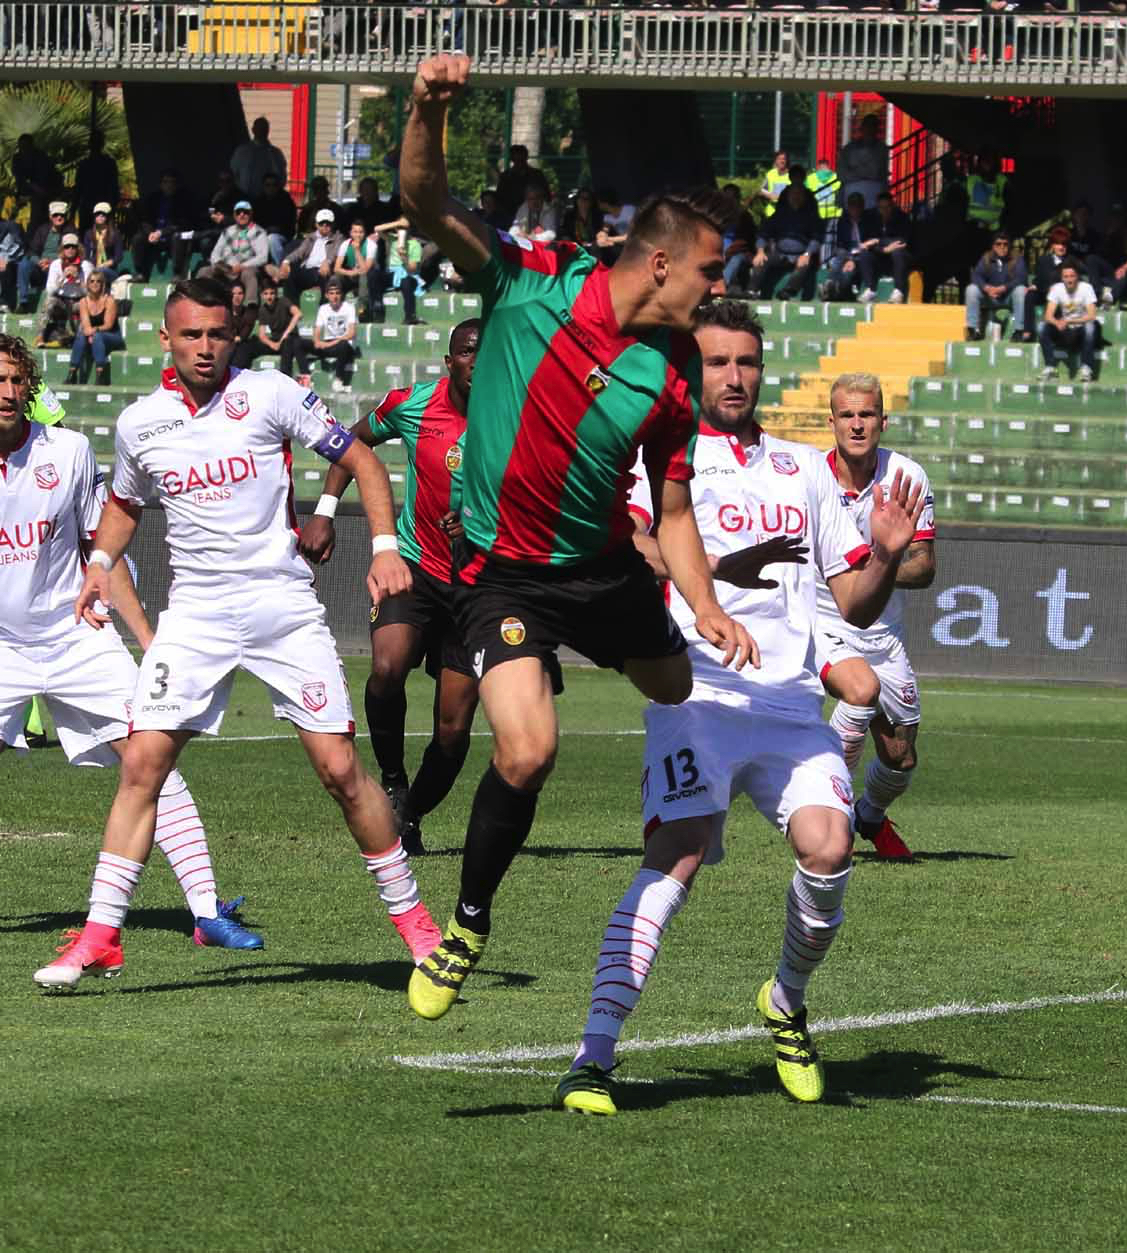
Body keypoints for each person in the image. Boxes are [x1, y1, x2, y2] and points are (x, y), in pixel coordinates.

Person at [396, 52, 757, 1021]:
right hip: (502, 574)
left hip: (603, 570)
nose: (720, 289)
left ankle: (673, 796)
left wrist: (708, 602)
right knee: (527, 749)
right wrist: (425, 106)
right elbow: (423, 198)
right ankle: (467, 924)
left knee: (676, 685)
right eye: (714, 270)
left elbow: (672, 511)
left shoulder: (674, 373)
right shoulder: (533, 281)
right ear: (664, 261)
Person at [555, 301, 926, 1116]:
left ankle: (786, 1001)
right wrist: (722, 565)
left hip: (790, 705)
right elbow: (635, 546)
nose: (734, 376)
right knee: (678, 853)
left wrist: (891, 555)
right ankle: (593, 1055)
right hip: (697, 692)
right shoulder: (662, 455)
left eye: (747, 362)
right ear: (692, 370)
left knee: (831, 851)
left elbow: (854, 606)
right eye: (718, 362)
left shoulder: (804, 471)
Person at [42, 276, 437, 990]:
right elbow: (126, 504)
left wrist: (382, 546)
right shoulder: (140, 423)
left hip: (281, 604)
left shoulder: (271, 392)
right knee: (142, 765)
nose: (204, 347)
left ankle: (419, 929)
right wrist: (99, 560)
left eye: (216, 334)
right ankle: (101, 936)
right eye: (190, 334)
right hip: (194, 614)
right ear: (164, 338)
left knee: (341, 771)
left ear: (236, 336)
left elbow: (363, 460)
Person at [1, 335, 264, 993]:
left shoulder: (67, 451)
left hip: (76, 637)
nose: (5, 391)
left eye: (14, 380)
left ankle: (206, 911)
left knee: (150, 758)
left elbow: (103, 551)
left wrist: (148, 641)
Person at [299, 321, 485, 857]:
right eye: (469, 351)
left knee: (453, 730)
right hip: (414, 566)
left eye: (489, 352)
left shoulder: (517, 413)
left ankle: (409, 814)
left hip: (478, 585)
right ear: (451, 361)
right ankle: (393, 778)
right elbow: (352, 442)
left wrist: (481, 526)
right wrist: (326, 511)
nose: (479, 360)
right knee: (386, 669)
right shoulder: (413, 404)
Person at [816, 371, 937, 862]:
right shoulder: (808, 477)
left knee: (900, 755)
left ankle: (868, 814)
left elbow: (924, 568)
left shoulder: (907, 477)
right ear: (832, 422)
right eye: (847, 415)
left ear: (883, 421)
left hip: (883, 634)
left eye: (866, 414)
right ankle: (833, 817)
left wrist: (876, 568)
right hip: (823, 623)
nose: (857, 425)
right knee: (858, 691)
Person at [753, 181, 823, 300]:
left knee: (804, 265)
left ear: (804, 197)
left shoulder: (811, 216)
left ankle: (788, 291)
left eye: (799, 194)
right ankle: (751, 290)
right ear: (788, 197)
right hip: (780, 253)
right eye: (793, 194)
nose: (795, 197)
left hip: (802, 254)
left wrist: (807, 254)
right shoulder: (779, 214)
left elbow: (816, 238)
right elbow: (764, 233)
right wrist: (760, 250)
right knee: (762, 260)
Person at [1037, 262, 1100, 382]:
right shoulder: (1057, 288)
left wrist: (1069, 320)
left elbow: (1092, 315)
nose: (1069, 280)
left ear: (1077, 277)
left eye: (1072, 276)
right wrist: (1057, 323)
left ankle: (1086, 368)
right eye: (1066, 277)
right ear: (1062, 278)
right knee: (1041, 326)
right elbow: (1048, 315)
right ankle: (1050, 367)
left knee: (1090, 327)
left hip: (1080, 330)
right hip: (1064, 331)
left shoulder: (1086, 288)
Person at [963, 231, 1028, 342]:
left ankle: (1018, 331)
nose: (1002, 247)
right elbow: (976, 276)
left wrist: (1004, 288)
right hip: (990, 296)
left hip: (1008, 297)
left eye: (1005, 244)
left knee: (1021, 290)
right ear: (993, 246)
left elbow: (1021, 278)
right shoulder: (986, 258)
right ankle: (973, 330)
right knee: (971, 289)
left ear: (1009, 245)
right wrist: (986, 288)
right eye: (998, 244)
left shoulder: (1017, 259)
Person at [272, 208, 342, 303]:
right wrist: (286, 262)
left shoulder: (338, 237)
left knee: (327, 278)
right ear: (316, 225)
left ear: (333, 224)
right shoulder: (311, 237)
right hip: (308, 270)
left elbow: (335, 252)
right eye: (322, 223)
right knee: (289, 275)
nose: (325, 226)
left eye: (328, 223)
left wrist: (328, 262)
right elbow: (299, 252)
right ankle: (293, 306)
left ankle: (323, 309)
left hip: (324, 271)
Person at [301, 279, 360, 391]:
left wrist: (330, 343)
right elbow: (317, 330)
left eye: (337, 293)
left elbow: (351, 333)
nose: (335, 296)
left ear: (341, 295)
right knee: (298, 343)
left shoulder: (349, 307)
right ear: (327, 295)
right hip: (328, 344)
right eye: (332, 293)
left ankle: (339, 379)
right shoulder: (323, 309)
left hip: (344, 344)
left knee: (343, 344)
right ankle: (306, 376)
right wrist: (317, 341)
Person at [66, 272, 123, 386]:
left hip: (112, 336)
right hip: (94, 336)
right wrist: (91, 333)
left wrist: (94, 332)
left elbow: (108, 325)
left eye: (98, 281)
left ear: (103, 285)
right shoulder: (83, 302)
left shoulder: (109, 300)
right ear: (87, 284)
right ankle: (72, 373)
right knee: (82, 335)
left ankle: (101, 374)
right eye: (92, 281)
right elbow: (86, 326)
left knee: (96, 336)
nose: (95, 284)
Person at [208, 200, 270, 303]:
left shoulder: (259, 232)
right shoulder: (227, 231)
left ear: (251, 214)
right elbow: (215, 253)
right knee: (204, 271)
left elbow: (263, 257)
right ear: (234, 215)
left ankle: (251, 306)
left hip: (244, 269)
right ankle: (200, 303)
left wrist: (242, 266)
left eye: (245, 212)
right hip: (225, 268)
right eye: (238, 212)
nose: (242, 215)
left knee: (249, 274)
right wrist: (219, 263)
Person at [235, 281, 302, 373]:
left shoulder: (283, 301)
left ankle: (285, 376)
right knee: (248, 345)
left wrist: (284, 335)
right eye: (266, 294)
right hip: (275, 341)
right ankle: (240, 372)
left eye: (272, 293)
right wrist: (272, 344)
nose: (269, 297)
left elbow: (298, 314)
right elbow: (262, 335)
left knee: (288, 344)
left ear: (276, 294)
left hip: (288, 339)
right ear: (262, 296)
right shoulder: (263, 309)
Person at [823, 192, 876, 302]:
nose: (855, 209)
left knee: (848, 270)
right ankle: (829, 283)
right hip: (847, 253)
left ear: (862, 206)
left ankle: (831, 288)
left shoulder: (869, 220)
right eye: (852, 206)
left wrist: (853, 260)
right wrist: (849, 258)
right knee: (841, 254)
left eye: (858, 205)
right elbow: (841, 244)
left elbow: (871, 243)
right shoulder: (843, 221)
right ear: (848, 206)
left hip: (863, 254)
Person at [866, 192, 913, 303]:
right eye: (881, 208)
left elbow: (901, 241)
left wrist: (878, 241)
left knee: (897, 252)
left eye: (887, 207)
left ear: (892, 206)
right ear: (877, 208)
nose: (884, 211)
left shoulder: (902, 217)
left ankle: (899, 291)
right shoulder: (873, 220)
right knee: (865, 254)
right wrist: (884, 249)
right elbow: (869, 242)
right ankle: (870, 290)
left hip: (902, 255)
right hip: (883, 254)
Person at [838, 113, 889, 212]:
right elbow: (841, 174)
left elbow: (878, 173)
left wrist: (855, 172)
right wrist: (868, 173)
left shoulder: (882, 149)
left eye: (873, 126)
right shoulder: (849, 149)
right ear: (862, 128)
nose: (870, 130)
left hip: (874, 199)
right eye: (867, 126)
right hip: (851, 198)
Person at [230, 117, 287, 203]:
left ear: (268, 131)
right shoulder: (241, 151)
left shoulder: (276, 154)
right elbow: (233, 174)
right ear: (253, 130)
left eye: (264, 129)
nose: (262, 131)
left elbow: (282, 178)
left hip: (268, 202)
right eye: (259, 128)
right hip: (244, 198)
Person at [334, 220, 383, 322]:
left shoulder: (371, 245)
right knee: (335, 278)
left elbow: (365, 269)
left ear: (364, 233)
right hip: (353, 273)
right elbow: (336, 268)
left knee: (364, 277)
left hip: (370, 275)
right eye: (355, 232)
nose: (358, 235)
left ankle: (362, 310)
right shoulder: (345, 244)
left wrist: (356, 250)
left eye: (360, 232)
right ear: (351, 233)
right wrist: (350, 272)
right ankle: (335, 307)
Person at [11, 133, 62, 227]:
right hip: (28, 191)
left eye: (26, 146)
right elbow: (19, 177)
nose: (24, 149)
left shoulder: (40, 156)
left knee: (42, 216)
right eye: (21, 146)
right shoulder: (17, 158)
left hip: (44, 190)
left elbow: (45, 175)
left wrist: (39, 189)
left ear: (31, 146)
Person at [73, 134, 120, 230]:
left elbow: (78, 190)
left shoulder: (84, 164)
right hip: (99, 206)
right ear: (102, 144)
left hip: (90, 207)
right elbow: (114, 188)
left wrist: (73, 211)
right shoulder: (108, 163)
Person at [252, 171, 299, 263]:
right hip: (262, 233)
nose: (271, 188)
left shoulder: (286, 201)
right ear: (263, 186)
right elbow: (254, 221)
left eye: (274, 185)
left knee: (272, 239)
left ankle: (281, 268)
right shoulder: (258, 201)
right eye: (268, 185)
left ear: (278, 186)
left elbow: (290, 223)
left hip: (282, 235)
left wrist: (277, 229)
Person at [80, 202, 125, 284]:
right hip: (92, 268)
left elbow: (119, 256)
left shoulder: (115, 234)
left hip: (109, 270)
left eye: (103, 214)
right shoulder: (89, 234)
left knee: (100, 271)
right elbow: (85, 255)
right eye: (97, 214)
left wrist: (106, 264)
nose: (100, 216)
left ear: (108, 217)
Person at [509, 178, 560, 244]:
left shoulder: (550, 210)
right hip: (526, 243)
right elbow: (516, 226)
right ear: (526, 199)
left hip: (546, 245)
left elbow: (551, 234)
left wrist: (532, 238)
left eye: (537, 197)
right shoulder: (523, 207)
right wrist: (513, 236)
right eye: (531, 199)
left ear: (543, 198)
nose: (534, 202)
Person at [755, 149, 792, 222]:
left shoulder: (792, 175)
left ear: (787, 161)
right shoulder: (770, 174)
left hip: (788, 214)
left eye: (784, 159)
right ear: (775, 161)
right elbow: (762, 190)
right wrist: (769, 195)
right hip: (771, 213)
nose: (781, 161)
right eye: (779, 159)